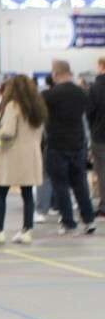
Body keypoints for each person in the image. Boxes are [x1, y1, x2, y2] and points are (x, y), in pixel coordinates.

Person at [0, 76, 45, 245]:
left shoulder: (12, 106)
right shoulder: (37, 108)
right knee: (27, 194)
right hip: (32, 154)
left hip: (13, 154)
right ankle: (27, 230)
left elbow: (8, 132)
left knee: (1, 193)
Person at [43, 59, 97, 236]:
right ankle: (89, 220)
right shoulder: (82, 93)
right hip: (78, 143)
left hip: (57, 144)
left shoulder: (49, 95)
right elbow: (88, 117)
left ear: (55, 74)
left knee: (61, 185)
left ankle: (68, 222)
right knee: (80, 184)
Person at [87, 56, 105, 217]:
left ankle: (104, 206)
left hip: (100, 135)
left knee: (102, 172)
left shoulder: (95, 87)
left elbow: (90, 112)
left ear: (101, 66)